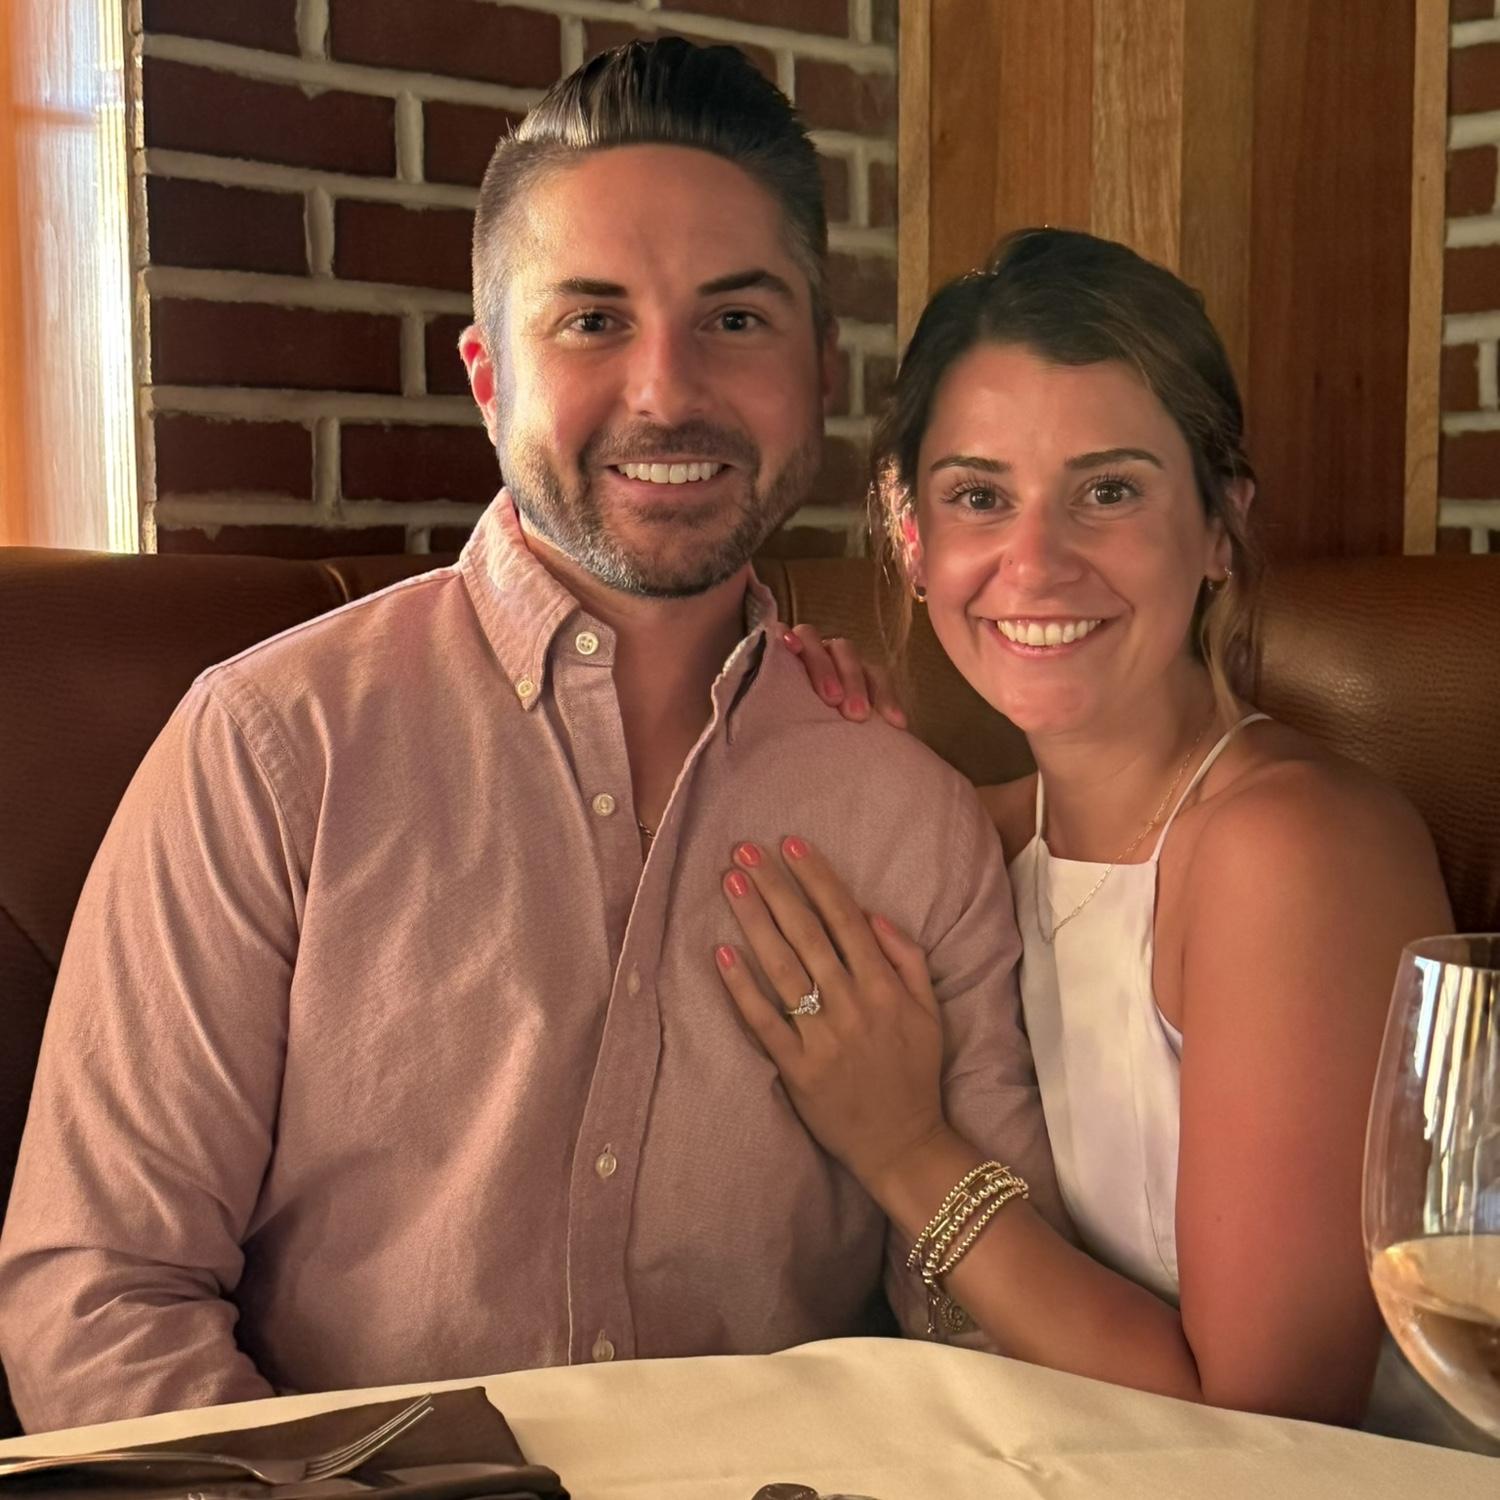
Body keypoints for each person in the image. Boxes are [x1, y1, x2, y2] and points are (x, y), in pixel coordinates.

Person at [0, 41, 1061, 1435]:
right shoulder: (272, 752)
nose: (667, 390)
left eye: (736, 319)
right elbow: (102, 1300)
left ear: (821, 371)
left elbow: (994, 1362)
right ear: (489, 377)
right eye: (593, 320)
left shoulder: (906, 815)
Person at [713, 228, 1457, 1429]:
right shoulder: (963, 835)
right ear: (911, 537)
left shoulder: (1290, 848)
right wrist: (807, 734)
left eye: (1108, 491)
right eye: (980, 497)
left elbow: (1263, 1421)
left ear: (1219, 528)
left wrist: (905, 1150)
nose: (1036, 561)